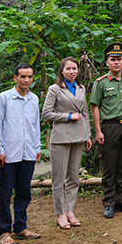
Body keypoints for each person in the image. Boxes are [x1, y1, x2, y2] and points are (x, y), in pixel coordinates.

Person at [0, 64, 42, 244]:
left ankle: (20, 227)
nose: (26, 80)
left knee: (24, 191)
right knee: (5, 192)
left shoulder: (34, 99)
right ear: (15, 78)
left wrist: (37, 146)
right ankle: (4, 231)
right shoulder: (3, 99)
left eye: (29, 77)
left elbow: (35, 124)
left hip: (28, 151)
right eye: (22, 77)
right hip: (8, 154)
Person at [90, 42, 122, 218]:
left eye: (119, 59)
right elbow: (95, 107)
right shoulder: (101, 83)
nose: (116, 62)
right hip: (109, 127)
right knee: (110, 166)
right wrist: (98, 131)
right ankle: (109, 202)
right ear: (107, 63)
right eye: (113, 59)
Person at [42, 57, 92, 229]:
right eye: (68, 69)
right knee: (59, 178)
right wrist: (68, 117)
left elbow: (85, 113)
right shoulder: (54, 89)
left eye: (74, 69)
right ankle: (60, 213)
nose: (72, 72)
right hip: (61, 139)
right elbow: (46, 113)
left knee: (74, 177)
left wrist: (88, 135)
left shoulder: (81, 88)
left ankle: (70, 209)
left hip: (78, 137)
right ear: (62, 71)